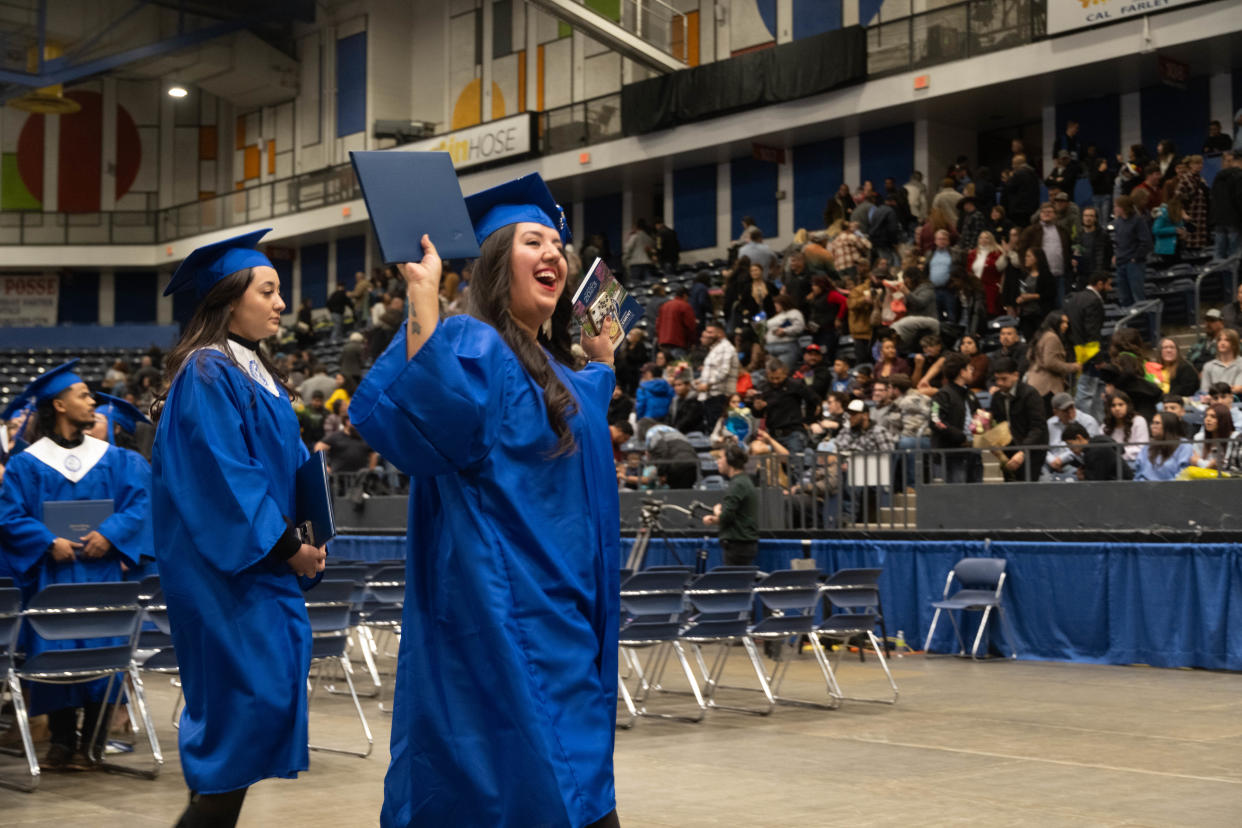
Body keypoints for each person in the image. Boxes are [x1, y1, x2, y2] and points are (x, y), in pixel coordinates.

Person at [349, 174, 621, 827]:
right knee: (545, 798)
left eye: (560, 244)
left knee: (569, 796)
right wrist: (424, 300)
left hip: (568, 624)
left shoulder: (556, 370)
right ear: (499, 262)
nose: (555, 253)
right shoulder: (476, 344)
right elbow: (433, 414)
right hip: (507, 624)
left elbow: (586, 400)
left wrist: (604, 349)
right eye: (534, 241)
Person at [150, 230, 326, 826]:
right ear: (229, 300)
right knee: (240, 716)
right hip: (229, 572)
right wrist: (289, 547)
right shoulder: (207, 371)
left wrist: (309, 531)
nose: (281, 303)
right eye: (269, 291)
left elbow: (286, 468)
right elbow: (228, 477)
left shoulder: (258, 374)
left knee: (254, 714)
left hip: (262, 568)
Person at [0, 362, 152, 771]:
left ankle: (94, 743)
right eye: (83, 394)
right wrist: (47, 540)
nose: (92, 401)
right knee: (55, 651)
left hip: (102, 574)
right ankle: (63, 743)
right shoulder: (27, 464)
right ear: (59, 404)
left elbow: (141, 504)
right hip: (54, 574)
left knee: (104, 655)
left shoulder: (116, 460)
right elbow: (9, 515)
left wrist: (112, 533)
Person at [989, 356, 1048, 481]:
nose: (999, 383)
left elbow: (1038, 427)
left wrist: (1023, 451)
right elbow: (998, 425)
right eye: (997, 379)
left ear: (1015, 375)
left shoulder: (1030, 394)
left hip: (1032, 450)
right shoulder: (997, 397)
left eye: (1004, 379)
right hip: (1009, 451)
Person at [702, 445, 759, 565]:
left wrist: (716, 513)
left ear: (730, 461)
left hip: (738, 546)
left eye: (721, 458)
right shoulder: (743, 481)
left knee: (734, 583)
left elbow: (726, 517)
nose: (718, 461)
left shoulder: (737, 484)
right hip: (743, 545)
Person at [751, 356, 819, 454]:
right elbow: (758, 414)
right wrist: (757, 408)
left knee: (794, 464)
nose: (775, 381)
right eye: (772, 378)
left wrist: (808, 420)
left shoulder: (795, 385)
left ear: (784, 373)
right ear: (767, 375)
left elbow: (813, 400)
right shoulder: (763, 387)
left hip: (793, 433)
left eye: (778, 378)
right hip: (773, 435)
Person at [929, 353, 980, 483]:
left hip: (973, 452)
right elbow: (935, 420)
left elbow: (979, 416)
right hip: (950, 455)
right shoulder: (942, 395)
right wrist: (959, 436)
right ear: (962, 372)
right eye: (970, 368)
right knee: (956, 497)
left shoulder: (970, 394)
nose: (972, 371)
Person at [1025, 310, 1079, 412]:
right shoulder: (1052, 337)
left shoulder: (1040, 335)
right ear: (1055, 322)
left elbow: (1028, 355)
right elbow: (1050, 363)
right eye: (1063, 322)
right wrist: (1073, 366)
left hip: (1035, 382)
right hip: (1048, 388)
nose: (1066, 326)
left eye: (1067, 323)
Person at [1042, 393, 1102, 479]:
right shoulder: (1049, 424)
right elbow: (1043, 447)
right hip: (1051, 462)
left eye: (1072, 408)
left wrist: (1061, 459)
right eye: (1065, 411)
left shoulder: (1089, 422)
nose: (1070, 413)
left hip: (1077, 462)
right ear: (1055, 412)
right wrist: (1052, 461)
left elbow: (1088, 449)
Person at [1112, 195, 1153, 307]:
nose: (1114, 208)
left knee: (1137, 294)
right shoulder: (1118, 222)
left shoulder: (1138, 221)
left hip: (1134, 263)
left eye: (1116, 206)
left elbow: (1146, 242)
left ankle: (1143, 320)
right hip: (1121, 262)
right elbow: (1119, 241)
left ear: (1123, 208)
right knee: (1124, 296)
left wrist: (1136, 257)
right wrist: (1116, 255)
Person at [696, 321, 738, 427]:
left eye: (710, 332)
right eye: (706, 332)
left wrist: (707, 384)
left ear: (720, 333)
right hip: (711, 395)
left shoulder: (726, 348)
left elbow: (724, 371)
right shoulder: (716, 348)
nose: (706, 334)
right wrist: (699, 381)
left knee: (717, 428)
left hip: (720, 396)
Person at [1134, 411, 1193, 480]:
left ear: (1169, 425)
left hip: (1173, 488)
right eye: (1152, 423)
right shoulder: (1148, 446)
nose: (1153, 426)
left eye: (1157, 423)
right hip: (1145, 488)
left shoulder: (1184, 446)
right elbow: (1138, 473)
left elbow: (1183, 475)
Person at [1103, 390, 1149, 466]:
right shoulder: (1105, 426)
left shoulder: (1138, 421)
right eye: (1113, 405)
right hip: (1111, 464)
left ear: (1128, 406)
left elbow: (1142, 449)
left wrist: (1119, 452)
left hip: (1134, 463)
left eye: (1121, 405)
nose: (1117, 408)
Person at [655, 285, 697, 359]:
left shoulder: (664, 305)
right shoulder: (685, 306)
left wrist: (659, 340)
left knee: (667, 368)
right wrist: (692, 342)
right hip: (678, 342)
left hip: (663, 342)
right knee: (678, 368)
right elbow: (690, 326)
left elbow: (658, 325)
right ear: (685, 296)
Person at [1200, 328, 1242, 394]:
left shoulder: (1240, 363)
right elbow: (1204, 390)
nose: (1222, 343)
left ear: (1234, 344)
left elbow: (1237, 389)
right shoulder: (1208, 366)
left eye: (1227, 340)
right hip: (1213, 400)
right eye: (1219, 340)